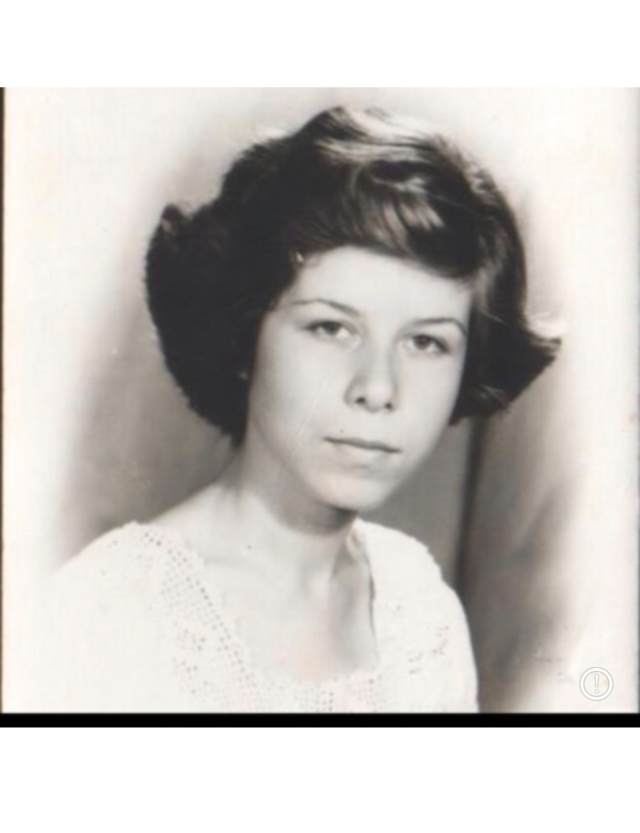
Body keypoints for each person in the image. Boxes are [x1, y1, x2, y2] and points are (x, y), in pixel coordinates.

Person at [38, 106, 560, 713]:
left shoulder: (420, 613)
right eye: (332, 328)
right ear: (245, 338)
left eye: (425, 342)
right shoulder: (108, 612)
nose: (378, 388)